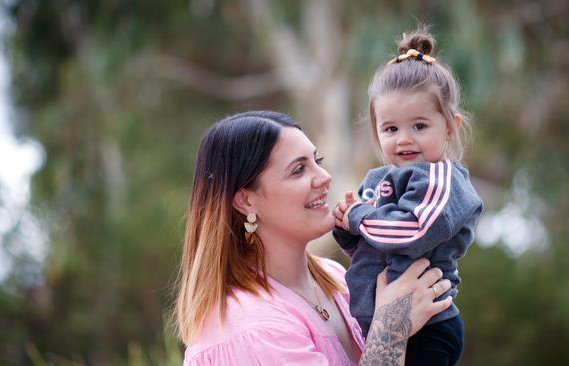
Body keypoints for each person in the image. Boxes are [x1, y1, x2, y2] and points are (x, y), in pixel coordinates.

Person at [175, 110, 455, 366]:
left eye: (317, 161)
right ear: (246, 201)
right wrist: (390, 331)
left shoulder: (334, 279)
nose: (324, 177)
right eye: (298, 170)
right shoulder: (250, 326)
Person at [333, 28, 483, 366]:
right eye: (390, 129)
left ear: (449, 127)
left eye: (419, 126)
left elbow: (411, 233)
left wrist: (360, 217)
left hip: (428, 326)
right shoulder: (378, 179)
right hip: (381, 328)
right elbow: (371, 248)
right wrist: (345, 226)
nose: (404, 139)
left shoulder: (441, 178)